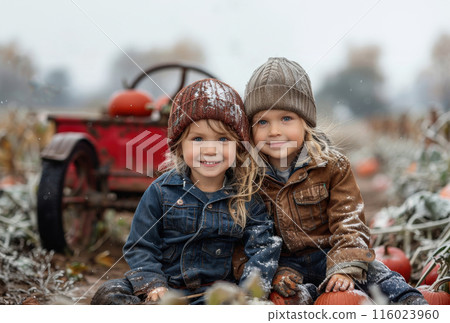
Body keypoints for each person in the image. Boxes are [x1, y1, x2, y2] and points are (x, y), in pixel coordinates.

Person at [241, 57, 427, 305]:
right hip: (285, 263)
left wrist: (344, 265)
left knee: (376, 272)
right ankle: (308, 295)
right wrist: (273, 273)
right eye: (263, 121)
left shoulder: (332, 167)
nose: (274, 131)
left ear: (305, 121)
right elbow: (246, 237)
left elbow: (350, 221)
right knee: (285, 295)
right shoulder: (249, 178)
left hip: (332, 252)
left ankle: (411, 304)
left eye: (286, 118)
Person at [91, 78, 281, 305]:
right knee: (110, 292)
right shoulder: (161, 192)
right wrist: (152, 283)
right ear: (179, 146)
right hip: (165, 292)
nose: (210, 149)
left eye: (222, 139)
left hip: (216, 296)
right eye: (198, 139)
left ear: (237, 147)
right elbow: (141, 245)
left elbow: (262, 249)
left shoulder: (245, 197)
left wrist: (248, 294)